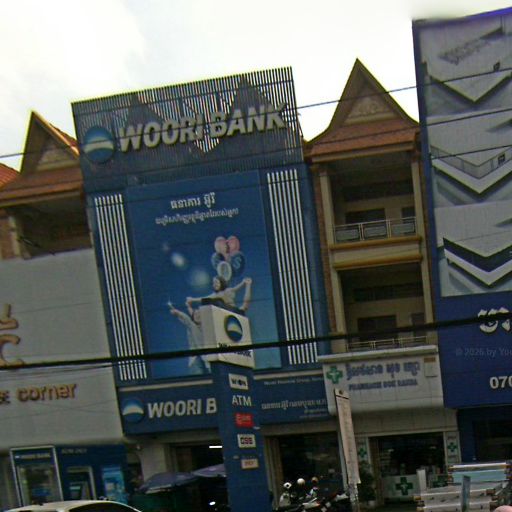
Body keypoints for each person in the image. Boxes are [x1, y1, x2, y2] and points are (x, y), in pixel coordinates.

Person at [169, 302, 210, 373]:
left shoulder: (206, 328)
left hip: (207, 361)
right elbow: (187, 319)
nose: (197, 315)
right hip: (196, 361)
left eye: (199, 314)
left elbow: (192, 314)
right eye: (196, 314)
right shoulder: (192, 326)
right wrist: (177, 313)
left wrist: (188, 307)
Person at [188, 276, 252, 312]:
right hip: (227, 312)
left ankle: (248, 285)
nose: (215, 284)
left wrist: (244, 283)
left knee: (244, 307)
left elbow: (237, 288)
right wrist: (192, 299)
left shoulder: (227, 290)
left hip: (234, 310)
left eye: (216, 282)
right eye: (213, 283)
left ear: (221, 283)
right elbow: (204, 299)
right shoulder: (215, 295)